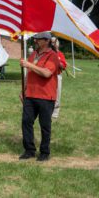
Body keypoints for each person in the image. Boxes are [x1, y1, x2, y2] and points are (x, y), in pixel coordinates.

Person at [19, 31, 60, 162]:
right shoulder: (33, 54)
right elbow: (29, 73)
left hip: (46, 96)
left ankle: (44, 152)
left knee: (45, 125)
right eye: (35, 39)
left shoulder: (52, 56)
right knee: (26, 122)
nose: (35, 41)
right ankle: (29, 150)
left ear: (47, 40)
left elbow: (47, 73)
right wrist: (24, 89)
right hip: (30, 94)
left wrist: (29, 64)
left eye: (38, 39)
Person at [51, 37, 67, 119]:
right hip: (48, 76)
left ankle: (55, 113)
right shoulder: (47, 53)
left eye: (54, 42)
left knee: (57, 95)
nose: (53, 44)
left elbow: (63, 66)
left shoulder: (60, 54)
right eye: (51, 42)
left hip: (57, 76)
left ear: (57, 44)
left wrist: (57, 59)